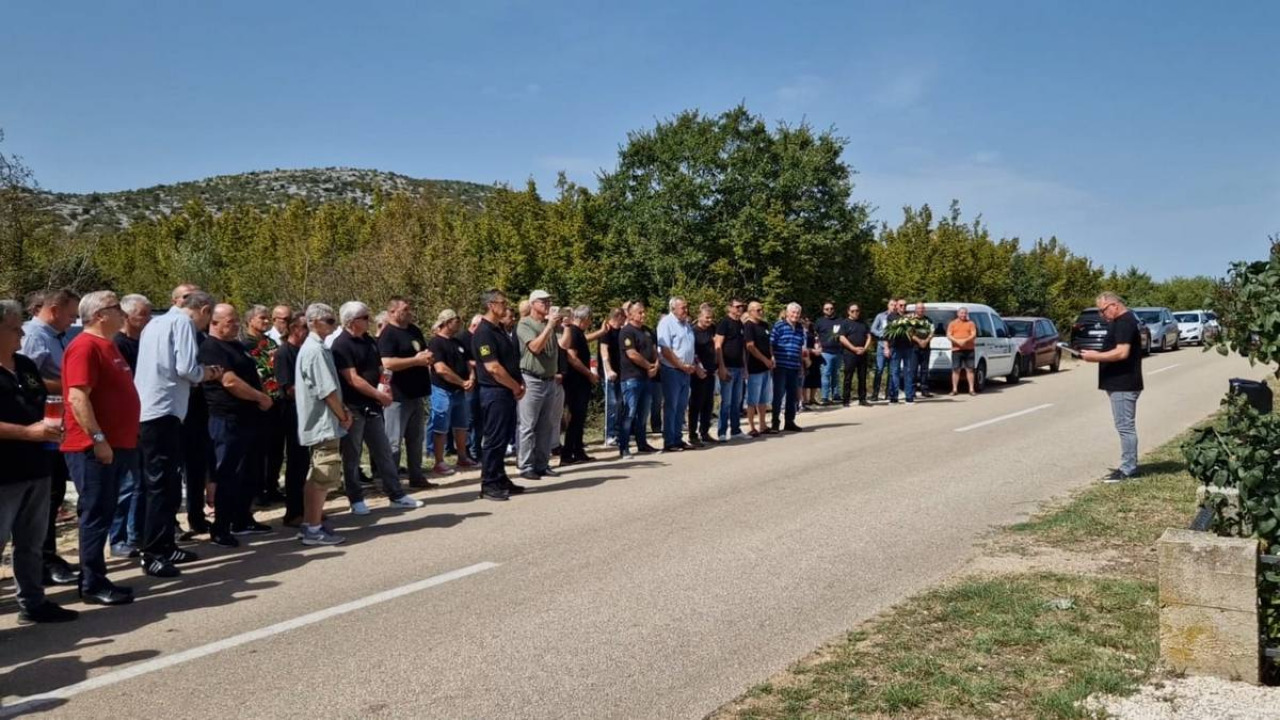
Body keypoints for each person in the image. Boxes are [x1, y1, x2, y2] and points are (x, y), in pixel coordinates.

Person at [0, 298, 79, 624]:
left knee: (31, 543)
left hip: (38, 467)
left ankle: (33, 603)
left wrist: (52, 426)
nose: (22, 334)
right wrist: (26, 433)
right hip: (4, 473)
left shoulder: (26, 366)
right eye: (15, 328)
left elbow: (43, 403)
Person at [134, 290, 222, 577]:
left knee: (167, 484)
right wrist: (207, 373)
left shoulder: (155, 322)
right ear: (204, 310)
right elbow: (186, 367)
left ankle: (165, 544)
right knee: (161, 485)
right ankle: (152, 552)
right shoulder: (183, 324)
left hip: (154, 409)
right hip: (163, 411)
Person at [61, 291, 141, 604]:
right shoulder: (84, 346)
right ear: (99, 315)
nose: (122, 312)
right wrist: (99, 440)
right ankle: (92, 582)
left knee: (105, 510)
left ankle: (97, 576)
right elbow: (77, 398)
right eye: (115, 307)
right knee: (95, 513)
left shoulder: (108, 346)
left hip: (117, 444)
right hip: (92, 447)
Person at [332, 301, 424, 514]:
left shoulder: (369, 341)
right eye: (364, 317)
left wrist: (386, 387)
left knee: (383, 451)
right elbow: (352, 378)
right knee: (352, 455)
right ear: (352, 321)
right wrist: (378, 394)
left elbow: (381, 367)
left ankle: (396, 494)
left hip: (373, 406)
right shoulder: (341, 344)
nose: (369, 320)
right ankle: (355, 499)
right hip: (353, 407)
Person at [200, 303, 278, 546]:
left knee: (250, 471)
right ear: (214, 323)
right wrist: (259, 397)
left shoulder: (236, 345)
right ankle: (221, 527)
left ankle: (243, 517)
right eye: (229, 322)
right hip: (226, 418)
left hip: (248, 417)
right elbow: (230, 381)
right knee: (227, 474)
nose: (235, 325)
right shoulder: (211, 348)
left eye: (235, 321)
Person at [20, 287, 81, 587]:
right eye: (70, 315)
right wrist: (71, 385)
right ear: (54, 309)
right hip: (40, 427)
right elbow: (27, 381)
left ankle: (48, 555)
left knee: (54, 493)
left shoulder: (58, 335)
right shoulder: (33, 336)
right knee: (47, 496)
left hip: (58, 426)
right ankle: (43, 561)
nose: (72, 322)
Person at [293, 303, 350, 545]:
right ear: (313, 321)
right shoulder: (315, 351)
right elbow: (327, 391)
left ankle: (310, 523)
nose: (333, 325)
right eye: (328, 320)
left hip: (321, 421)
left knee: (316, 473)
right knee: (324, 473)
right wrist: (343, 416)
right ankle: (313, 530)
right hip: (323, 422)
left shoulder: (317, 348)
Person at [1081, 292, 1144, 482]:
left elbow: (1122, 352)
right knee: (1123, 425)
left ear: (1114, 305)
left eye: (1102, 310)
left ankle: (1128, 469)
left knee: (1125, 427)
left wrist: (1095, 357)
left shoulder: (1125, 321)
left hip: (1124, 383)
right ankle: (1128, 465)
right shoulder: (1120, 321)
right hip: (1118, 382)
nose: (1102, 315)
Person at [107, 293, 151, 559]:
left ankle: (137, 534)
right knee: (126, 484)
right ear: (126, 317)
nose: (148, 319)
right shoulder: (118, 345)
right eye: (142, 314)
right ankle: (119, 538)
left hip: (144, 418)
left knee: (141, 483)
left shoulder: (143, 342)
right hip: (124, 424)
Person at [472, 290, 526, 500]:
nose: (505, 306)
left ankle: (500, 476)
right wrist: (515, 386)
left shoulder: (499, 329)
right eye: (502, 303)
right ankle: (489, 483)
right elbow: (493, 367)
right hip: (495, 391)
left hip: (506, 390)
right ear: (491, 305)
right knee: (494, 439)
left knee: (503, 437)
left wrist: (517, 384)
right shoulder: (484, 332)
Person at [377, 297, 435, 488]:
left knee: (415, 439)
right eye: (405, 309)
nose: (410, 312)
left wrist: (427, 358)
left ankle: (416, 477)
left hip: (417, 393)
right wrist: (415, 361)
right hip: (397, 395)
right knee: (393, 441)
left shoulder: (413, 330)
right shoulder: (388, 334)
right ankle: (391, 483)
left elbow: (421, 351)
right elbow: (387, 362)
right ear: (392, 312)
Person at [515, 290, 564, 481]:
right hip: (532, 379)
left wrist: (562, 326)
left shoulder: (547, 324)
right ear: (533, 303)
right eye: (543, 301)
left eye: (549, 300)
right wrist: (549, 326)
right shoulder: (525, 324)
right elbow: (534, 347)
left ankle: (542, 464)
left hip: (549, 379)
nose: (547, 303)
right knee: (528, 425)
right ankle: (526, 465)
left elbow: (562, 346)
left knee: (546, 424)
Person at [244, 305, 287, 505]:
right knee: (259, 450)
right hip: (259, 402)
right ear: (250, 320)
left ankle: (272, 486)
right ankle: (257, 490)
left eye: (268, 318)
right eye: (262, 318)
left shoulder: (269, 342)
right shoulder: (244, 344)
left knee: (276, 448)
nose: (266, 321)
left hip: (277, 399)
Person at [427, 309, 477, 475]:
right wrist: (462, 382)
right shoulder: (435, 342)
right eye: (456, 320)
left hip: (460, 391)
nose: (459, 323)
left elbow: (469, 362)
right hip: (442, 390)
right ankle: (439, 461)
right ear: (447, 322)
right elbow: (441, 369)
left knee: (462, 425)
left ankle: (462, 457)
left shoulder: (458, 342)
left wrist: (471, 377)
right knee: (441, 426)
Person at [274, 311, 311, 526]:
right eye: (305, 327)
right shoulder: (283, 353)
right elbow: (289, 388)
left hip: (308, 413)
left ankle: (308, 508)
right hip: (292, 414)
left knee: (307, 464)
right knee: (296, 464)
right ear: (295, 329)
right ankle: (293, 512)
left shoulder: (305, 350)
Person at [618, 300, 659, 459]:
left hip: (647, 378)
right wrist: (649, 366)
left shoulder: (648, 331)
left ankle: (642, 443)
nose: (643, 315)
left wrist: (656, 366)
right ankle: (624, 447)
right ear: (630, 314)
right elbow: (632, 354)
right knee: (630, 413)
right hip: (632, 378)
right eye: (639, 312)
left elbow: (655, 350)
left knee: (643, 413)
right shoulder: (627, 332)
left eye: (644, 312)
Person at [560, 306, 598, 465]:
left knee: (579, 417)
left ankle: (578, 450)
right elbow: (572, 357)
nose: (590, 322)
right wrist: (588, 373)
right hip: (575, 382)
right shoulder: (574, 332)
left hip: (581, 382)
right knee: (575, 417)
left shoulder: (579, 333)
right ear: (585, 318)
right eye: (590, 319)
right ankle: (567, 454)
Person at [657, 297, 696, 452]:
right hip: (672, 370)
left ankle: (678, 438)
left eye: (686, 307)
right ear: (673, 309)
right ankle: (669, 441)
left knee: (681, 406)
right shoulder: (666, 323)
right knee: (671, 406)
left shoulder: (686, 325)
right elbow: (666, 350)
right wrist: (681, 365)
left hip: (686, 371)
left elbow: (690, 348)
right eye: (682, 308)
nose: (686, 310)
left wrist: (692, 365)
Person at [770, 302, 806, 432]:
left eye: (798, 313)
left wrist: (801, 365)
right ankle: (775, 423)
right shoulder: (779, 326)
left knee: (792, 396)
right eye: (793, 312)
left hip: (794, 366)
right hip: (780, 366)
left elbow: (799, 348)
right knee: (778, 395)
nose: (795, 315)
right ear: (787, 313)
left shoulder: (800, 328)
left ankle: (789, 422)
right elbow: (771, 343)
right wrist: (772, 358)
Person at [714, 299, 747, 441]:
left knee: (737, 401)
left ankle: (735, 430)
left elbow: (743, 348)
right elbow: (718, 345)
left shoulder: (740, 324)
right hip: (728, 367)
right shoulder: (724, 323)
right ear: (730, 307)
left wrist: (745, 367)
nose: (740, 309)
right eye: (737, 306)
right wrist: (721, 366)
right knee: (726, 402)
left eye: (742, 307)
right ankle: (722, 432)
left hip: (739, 367)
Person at [743, 301, 775, 437]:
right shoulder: (748, 326)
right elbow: (750, 346)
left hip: (766, 367)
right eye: (758, 310)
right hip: (754, 367)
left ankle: (763, 424)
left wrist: (772, 357)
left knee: (763, 398)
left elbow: (769, 343)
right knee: (752, 399)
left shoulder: (764, 325)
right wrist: (764, 359)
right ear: (750, 311)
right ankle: (751, 426)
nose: (761, 312)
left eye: (762, 309)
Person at [688, 303, 717, 447]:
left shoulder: (712, 329)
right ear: (699, 317)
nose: (709, 320)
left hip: (711, 371)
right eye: (706, 318)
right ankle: (692, 434)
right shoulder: (693, 331)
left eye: (711, 318)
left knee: (708, 403)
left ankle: (704, 432)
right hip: (698, 372)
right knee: (696, 404)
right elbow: (692, 352)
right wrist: (699, 367)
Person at [599, 308, 625, 447]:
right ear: (619, 316)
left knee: (620, 403)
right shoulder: (606, 330)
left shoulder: (620, 331)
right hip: (609, 374)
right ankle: (609, 434)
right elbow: (604, 351)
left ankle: (617, 432)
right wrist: (608, 369)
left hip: (621, 373)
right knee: (612, 403)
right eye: (623, 317)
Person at [839, 303, 873, 407]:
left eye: (857, 310)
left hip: (862, 353)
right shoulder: (845, 323)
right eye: (853, 311)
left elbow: (869, 336)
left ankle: (862, 399)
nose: (855, 313)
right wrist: (853, 348)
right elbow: (842, 338)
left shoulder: (863, 323)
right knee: (848, 377)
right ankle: (846, 400)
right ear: (848, 312)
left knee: (862, 377)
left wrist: (865, 348)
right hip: (850, 353)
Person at [886, 298, 916, 405]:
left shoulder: (910, 316)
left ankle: (909, 396)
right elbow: (890, 331)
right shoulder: (891, 316)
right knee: (895, 372)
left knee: (908, 372)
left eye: (905, 305)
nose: (903, 307)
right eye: (901, 305)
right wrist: (887, 347)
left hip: (908, 347)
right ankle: (894, 397)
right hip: (896, 347)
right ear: (897, 306)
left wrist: (910, 321)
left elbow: (913, 330)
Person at [814, 301, 843, 405]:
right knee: (826, 374)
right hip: (825, 352)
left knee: (836, 374)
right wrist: (817, 346)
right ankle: (825, 397)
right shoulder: (819, 321)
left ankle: (836, 395)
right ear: (823, 310)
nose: (829, 310)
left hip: (838, 351)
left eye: (831, 308)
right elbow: (815, 335)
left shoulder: (840, 321)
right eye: (827, 309)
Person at [946, 307, 978, 396]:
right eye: (961, 313)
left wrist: (965, 340)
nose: (963, 315)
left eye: (965, 313)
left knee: (970, 370)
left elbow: (973, 334)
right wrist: (957, 341)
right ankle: (954, 389)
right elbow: (949, 335)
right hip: (956, 350)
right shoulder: (952, 323)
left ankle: (971, 389)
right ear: (958, 313)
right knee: (956, 370)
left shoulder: (971, 323)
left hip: (969, 350)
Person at [869, 299, 894, 401]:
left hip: (893, 347)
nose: (893, 307)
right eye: (891, 305)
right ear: (888, 306)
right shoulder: (880, 316)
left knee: (891, 371)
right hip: (881, 346)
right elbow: (873, 329)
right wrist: (882, 334)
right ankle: (875, 393)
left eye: (895, 305)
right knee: (879, 370)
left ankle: (889, 393)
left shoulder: (899, 318)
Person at [911, 302, 935, 398]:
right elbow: (909, 332)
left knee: (924, 370)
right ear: (916, 309)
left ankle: (924, 390)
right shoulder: (911, 320)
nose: (920, 310)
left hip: (926, 347)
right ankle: (912, 391)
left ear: (924, 310)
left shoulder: (928, 320)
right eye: (918, 308)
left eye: (922, 308)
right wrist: (919, 341)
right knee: (913, 369)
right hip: (914, 348)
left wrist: (926, 341)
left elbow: (932, 332)